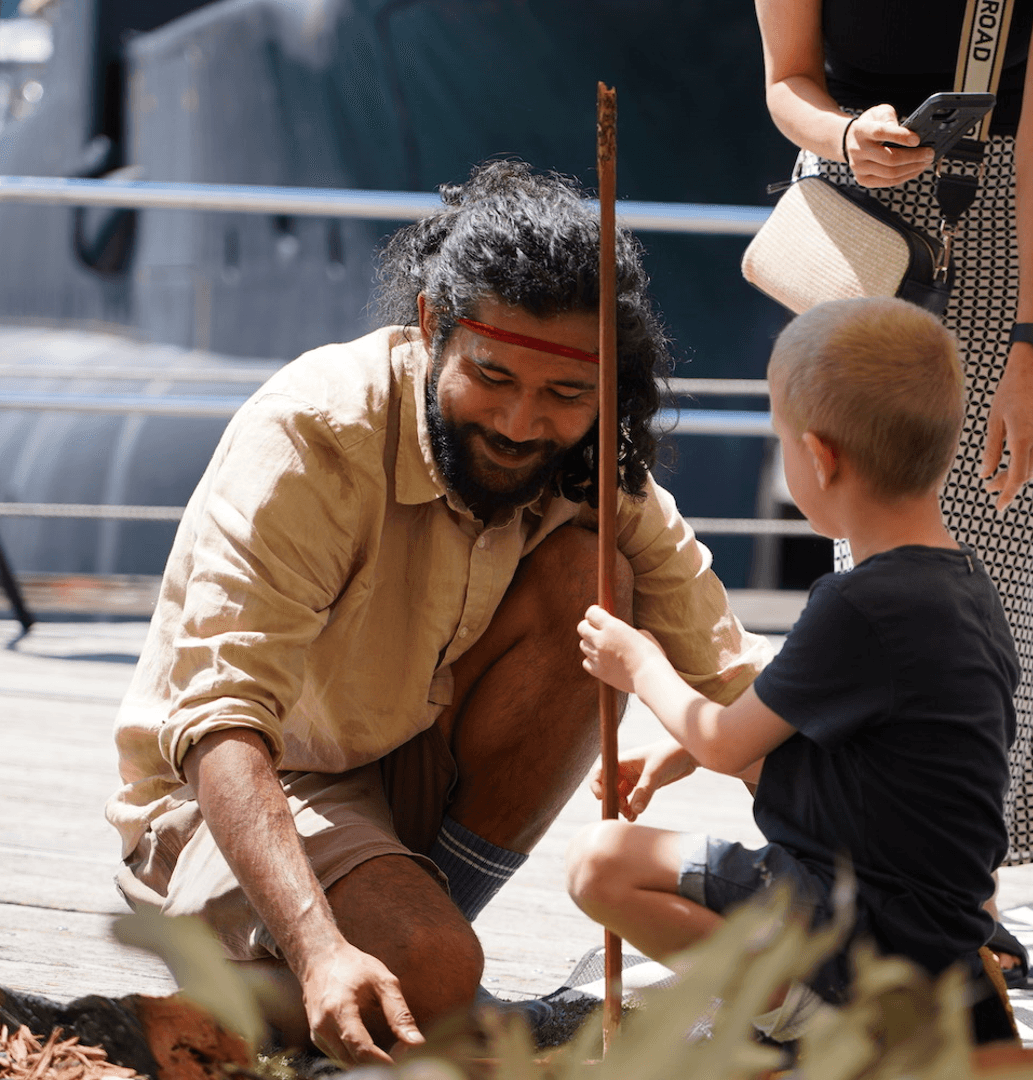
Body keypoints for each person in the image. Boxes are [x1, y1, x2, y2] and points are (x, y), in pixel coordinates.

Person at [104, 161, 773, 1064]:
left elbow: (734, 680)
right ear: (431, 327)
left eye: (567, 395)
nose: (522, 423)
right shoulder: (312, 436)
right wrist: (319, 949)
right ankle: (366, 966)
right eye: (493, 377)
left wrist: (885, 894)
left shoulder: (590, 462)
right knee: (432, 974)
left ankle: (417, 949)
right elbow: (221, 725)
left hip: (392, 777)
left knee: (597, 577)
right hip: (233, 795)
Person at [569, 297, 1019, 1043]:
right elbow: (803, 714)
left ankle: (814, 1027)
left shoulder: (860, 603)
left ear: (818, 457)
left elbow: (726, 740)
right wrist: (681, 751)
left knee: (600, 864)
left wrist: (640, 664)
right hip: (934, 938)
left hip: (863, 929)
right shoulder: (963, 587)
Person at [751, 0, 1033, 981]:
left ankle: (956, 888)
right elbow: (786, 82)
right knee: (871, 550)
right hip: (858, 216)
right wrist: (844, 135)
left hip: (1014, 230)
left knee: (1003, 555)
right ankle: (876, 874)